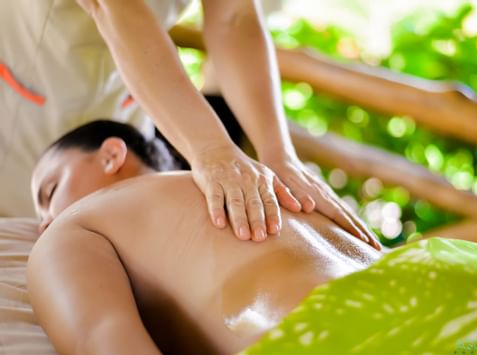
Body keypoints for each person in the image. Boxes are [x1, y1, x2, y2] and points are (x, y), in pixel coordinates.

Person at [0, 0, 379, 248]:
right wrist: (211, 150)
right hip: (25, 103)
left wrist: (279, 156)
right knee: (41, 246)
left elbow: (235, 17)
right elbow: (115, 7)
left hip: (130, 94)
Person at [27, 120, 382, 355]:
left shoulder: (77, 225)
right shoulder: (280, 189)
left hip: (330, 347)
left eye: (50, 191)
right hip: (423, 287)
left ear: (111, 155)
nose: (44, 222)